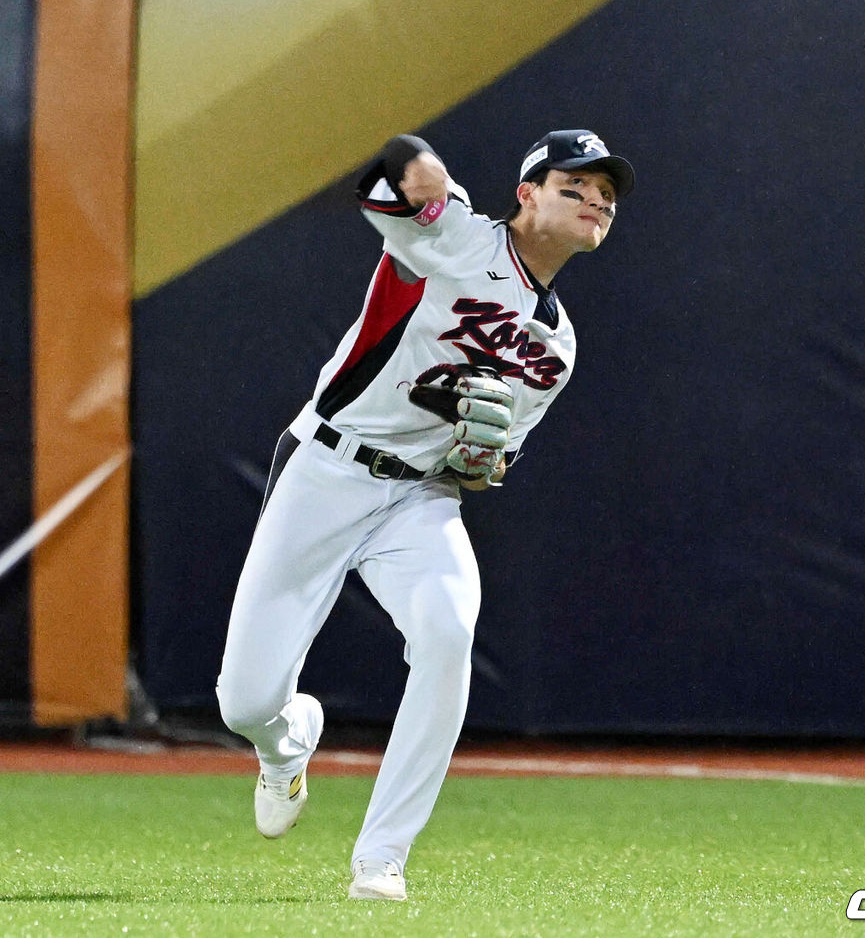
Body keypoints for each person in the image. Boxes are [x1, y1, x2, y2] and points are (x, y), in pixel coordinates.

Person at [216, 129, 635, 902]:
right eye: (573, 185)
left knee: (447, 632)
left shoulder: (559, 347)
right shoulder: (454, 234)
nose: (594, 201)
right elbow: (388, 169)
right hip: (329, 466)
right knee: (242, 700)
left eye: (605, 195)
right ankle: (284, 746)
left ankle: (383, 855)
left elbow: (493, 463)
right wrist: (422, 167)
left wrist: (484, 461)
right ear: (527, 192)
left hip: (420, 498)